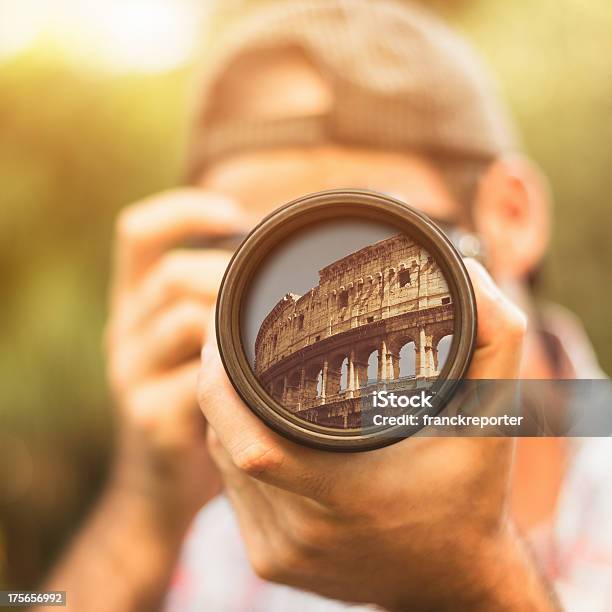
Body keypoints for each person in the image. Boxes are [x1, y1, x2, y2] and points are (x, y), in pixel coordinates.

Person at [46, 1, 606, 610]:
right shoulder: (219, 525)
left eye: (360, 229)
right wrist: (143, 516)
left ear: (511, 217)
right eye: (249, 259)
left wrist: (472, 582)